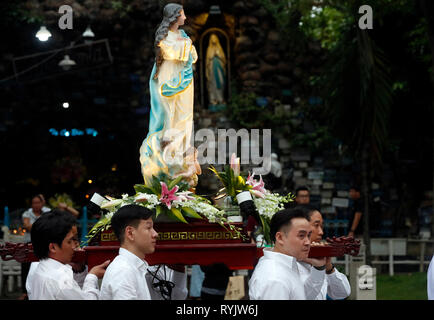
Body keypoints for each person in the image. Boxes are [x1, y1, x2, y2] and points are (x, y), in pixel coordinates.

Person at [139, 3, 201, 188]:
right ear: (175, 16)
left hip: (184, 78)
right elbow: (170, 51)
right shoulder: (165, 36)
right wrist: (185, 46)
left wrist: (185, 45)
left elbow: (193, 55)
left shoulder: (183, 36)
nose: (185, 18)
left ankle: (181, 147)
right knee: (168, 112)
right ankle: (167, 143)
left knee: (184, 113)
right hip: (169, 76)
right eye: (182, 14)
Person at [99, 204, 188, 300]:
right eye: (149, 228)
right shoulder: (123, 271)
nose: (155, 234)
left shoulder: (140, 267)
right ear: (130, 233)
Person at [28, 209, 109, 300]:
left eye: (76, 239)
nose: (75, 246)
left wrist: (80, 270)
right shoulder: (60, 278)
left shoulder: (39, 268)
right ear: (53, 247)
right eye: (70, 241)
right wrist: (92, 276)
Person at [249, 208, 326, 300]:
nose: (308, 242)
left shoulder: (284, 264)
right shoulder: (275, 278)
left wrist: (319, 268)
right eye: (301, 235)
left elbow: (301, 296)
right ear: (280, 237)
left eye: (308, 235)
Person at [296, 204, 351, 300]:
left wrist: (329, 267)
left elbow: (343, 293)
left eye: (321, 226)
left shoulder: (320, 260)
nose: (321, 232)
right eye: (316, 225)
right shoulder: (290, 263)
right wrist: (319, 268)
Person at [19, 194, 51, 300]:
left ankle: (44, 289)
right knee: (25, 264)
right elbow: (27, 226)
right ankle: (25, 292)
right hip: (29, 242)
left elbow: (49, 226)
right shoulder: (27, 213)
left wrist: (36, 225)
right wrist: (42, 224)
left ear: (42, 203)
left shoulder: (47, 211)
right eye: (34, 203)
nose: (35, 205)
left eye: (38, 202)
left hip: (43, 243)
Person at [206, 33, 226, 106]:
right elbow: (207, 61)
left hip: (219, 68)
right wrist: (212, 56)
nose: (213, 40)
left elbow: (224, 59)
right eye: (212, 38)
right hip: (212, 70)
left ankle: (220, 99)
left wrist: (218, 56)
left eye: (215, 38)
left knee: (221, 82)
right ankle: (213, 99)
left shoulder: (220, 48)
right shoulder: (209, 49)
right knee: (212, 83)